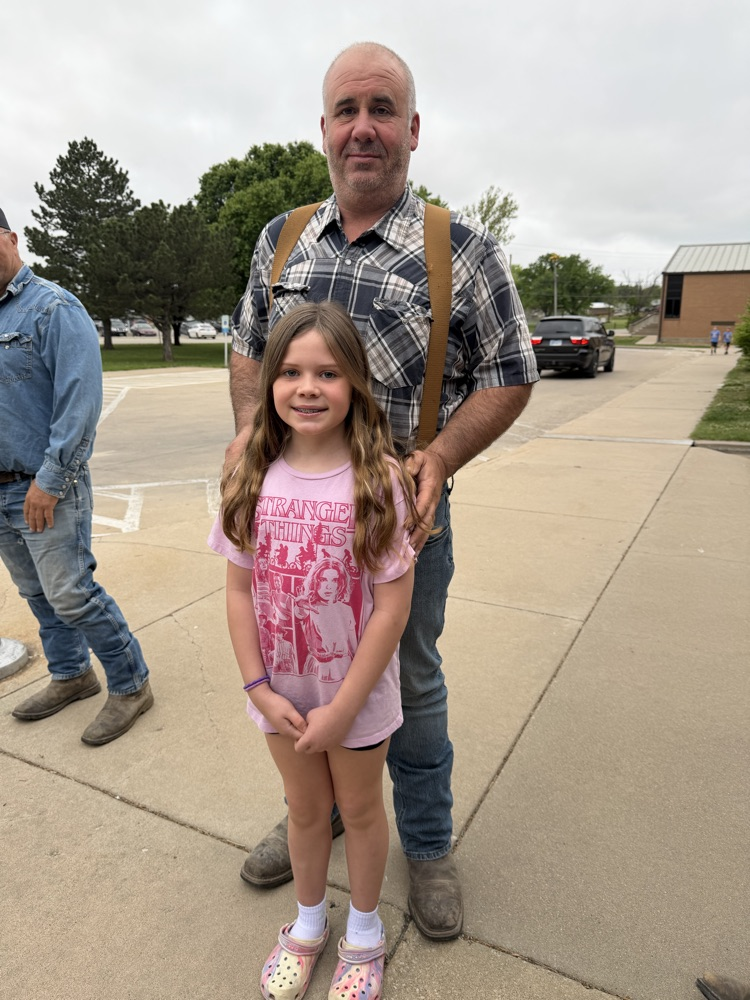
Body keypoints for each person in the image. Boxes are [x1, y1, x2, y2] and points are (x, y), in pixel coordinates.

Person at [226, 41, 538, 940]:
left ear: (412, 129)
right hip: (289, 519)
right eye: (346, 110)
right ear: (323, 128)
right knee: (297, 672)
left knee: (411, 681)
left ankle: (429, 846)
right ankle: (315, 815)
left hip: (393, 525)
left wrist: (438, 457)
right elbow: (248, 347)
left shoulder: (462, 250)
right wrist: (252, 430)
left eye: (382, 109)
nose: (363, 127)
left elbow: (511, 372)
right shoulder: (279, 239)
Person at [210, 301, 418, 1000]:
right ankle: (307, 924)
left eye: (327, 372)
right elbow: (239, 593)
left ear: (356, 383)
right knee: (303, 812)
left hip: (353, 699)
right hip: (282, 694)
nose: (307, 387)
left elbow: (392, 609)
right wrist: (258, 688)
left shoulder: (378, 481)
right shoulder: (252, 476)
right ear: (268, 383)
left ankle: (363, 933)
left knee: (358, 811)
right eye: (292, 372)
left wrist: (344, 707)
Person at [0, 207, 153, 745]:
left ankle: (131, 684)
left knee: (70, 593)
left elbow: (79, 403)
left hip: (42, 485)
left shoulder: (53, 308)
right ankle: (71, 675)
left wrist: (50, 480)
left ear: (11, 239)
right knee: (36, 593)